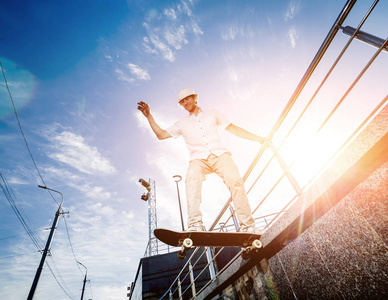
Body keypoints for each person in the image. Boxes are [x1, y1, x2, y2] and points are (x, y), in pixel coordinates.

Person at [137, 88, 267, 233]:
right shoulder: (182, 123)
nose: (185, 103)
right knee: (192, 179)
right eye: (182, 102)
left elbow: (233, 128)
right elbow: (161, 135)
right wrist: (149, 116)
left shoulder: (213, 114)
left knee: (235, 180)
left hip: (219, 154)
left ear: (194, 98)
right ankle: (195, 224)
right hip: (198, 159)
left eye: (187, 99)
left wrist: (259, 139)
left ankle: (248, 226)